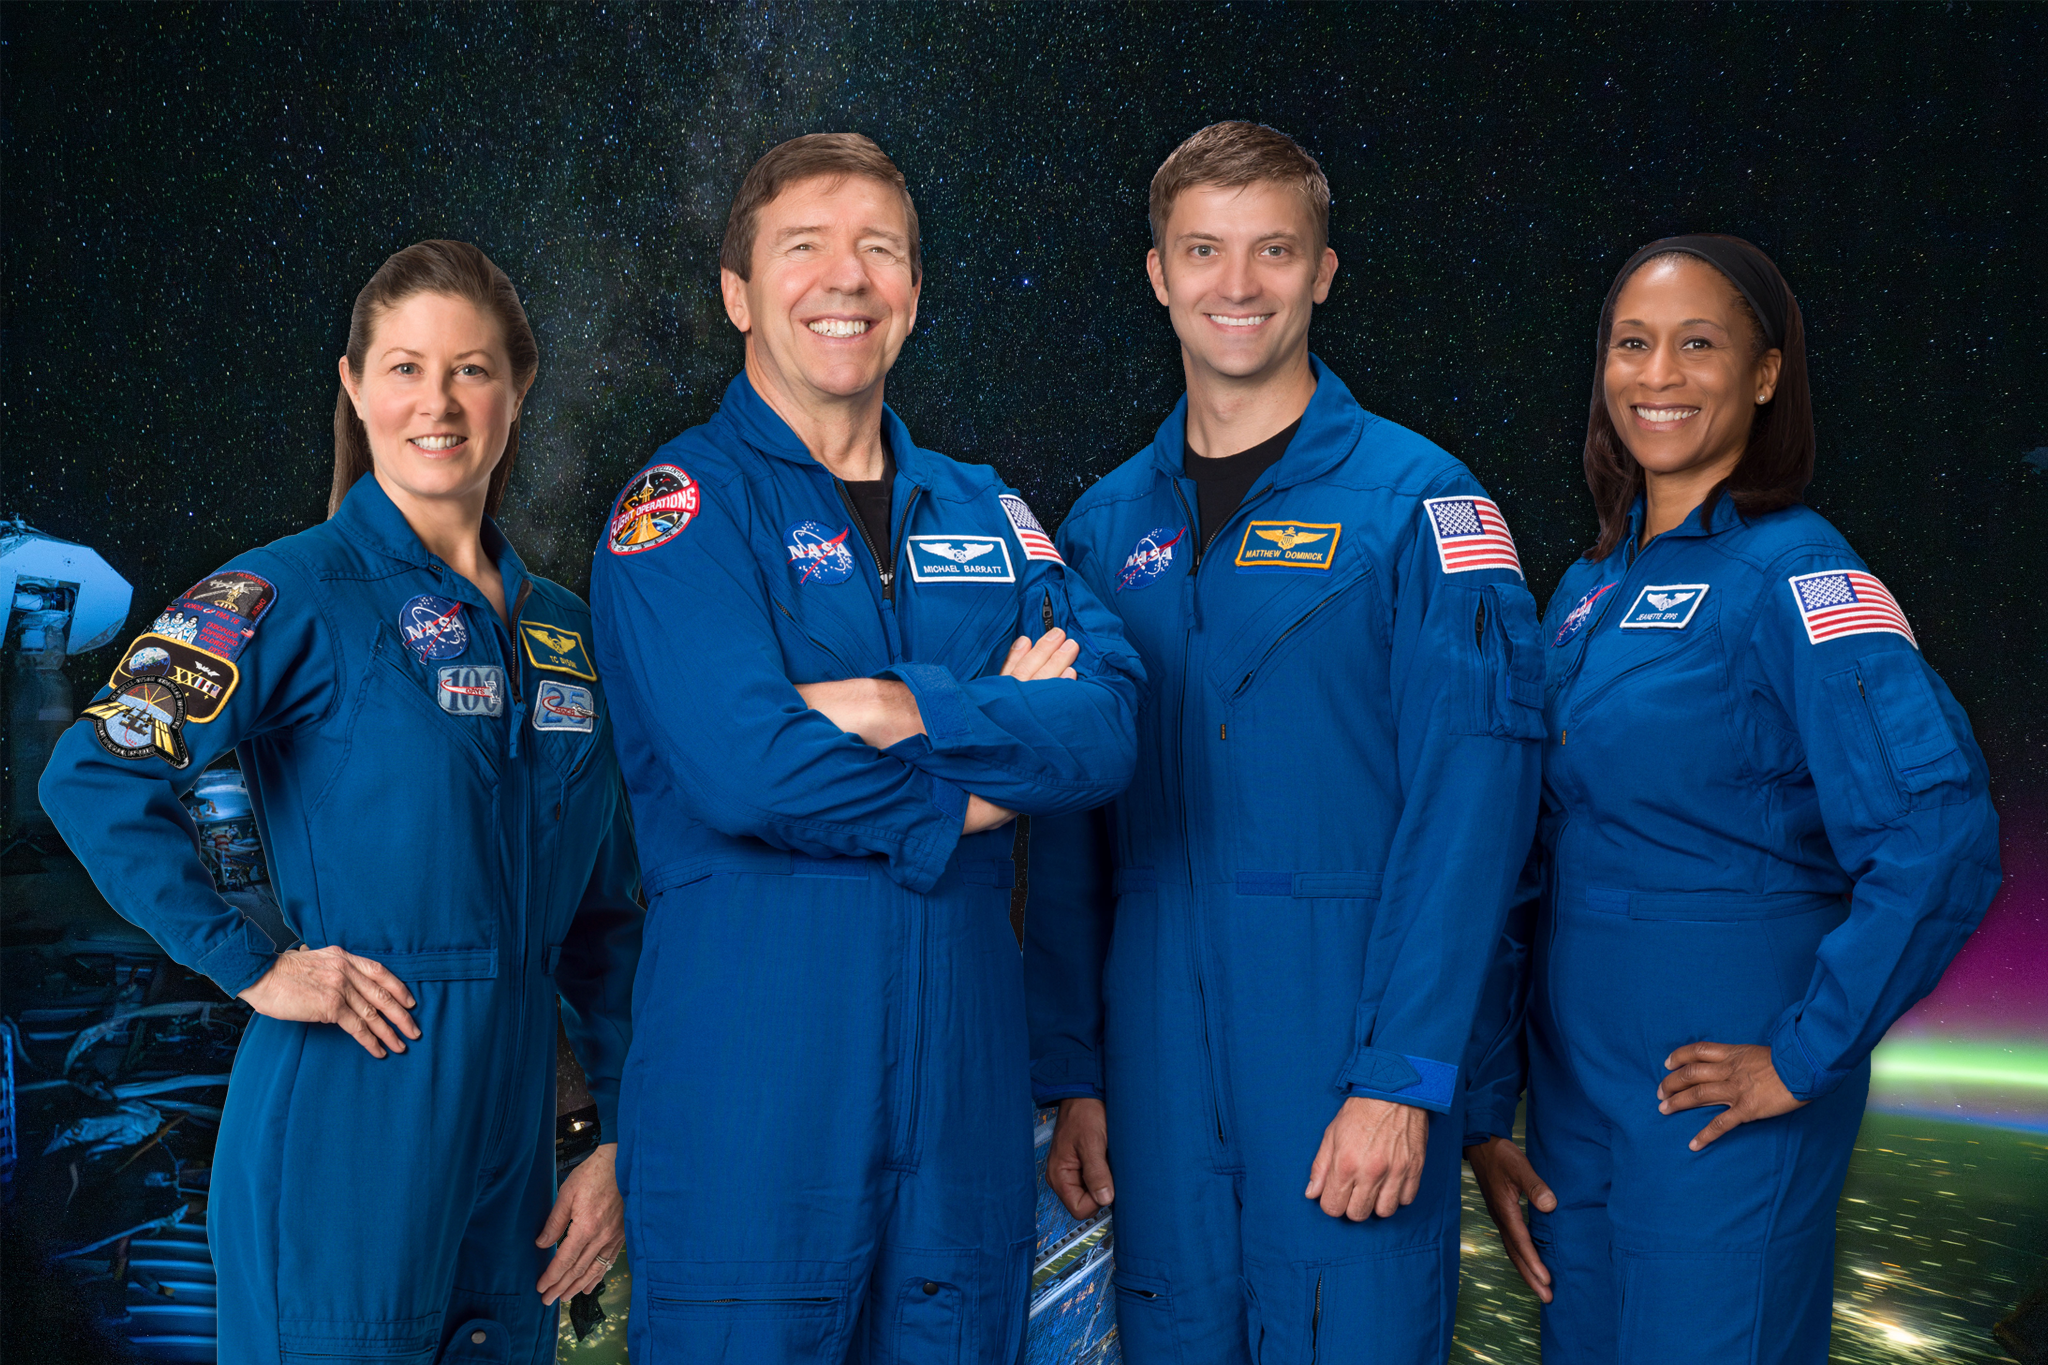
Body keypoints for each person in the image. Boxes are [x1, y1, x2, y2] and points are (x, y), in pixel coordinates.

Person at [589, 133, 1144, 1365]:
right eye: (804, 249)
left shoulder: (986, 510)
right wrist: (980, 787)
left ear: (912, 294)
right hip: (756, 1098)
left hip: (960, 1103)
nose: (844, 278)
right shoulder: (678, 507)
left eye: (877, 250)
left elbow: (1107, 721)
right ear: (738, 293)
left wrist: (898, 706)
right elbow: (743, 763)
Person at [39, 240, 643, 1365]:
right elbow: (95, 773)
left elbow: (608, 925)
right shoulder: (281, 592)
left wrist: (620, 1143)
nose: (439, 402)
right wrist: (255, 962)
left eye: (471, 370)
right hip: (349, 1105)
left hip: (517, 1140)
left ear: (517, 389)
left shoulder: (565, 633)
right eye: (405, 368)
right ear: (356, 389)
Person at [1023, 121, 1544, 1363]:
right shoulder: (1099, 528)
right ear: (1156, 273)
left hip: (1339, 1046)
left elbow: (1473, 813)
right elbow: (1064, 829)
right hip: (1149, 1063)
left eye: (1272, 250)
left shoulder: (1423, 507)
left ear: (1322, 270)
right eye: (1202, 251)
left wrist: (1403, 1075)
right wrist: (1072, 1071)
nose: (1236, 285)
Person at [1461, 235, 2001, 1363]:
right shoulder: (1586, 592)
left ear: (1763, 375)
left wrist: (1801, 1056)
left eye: (1695, 344)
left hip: (1718, 1094)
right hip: (1575, 1097)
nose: (1656, 375)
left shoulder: (1798, 580)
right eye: (1631, 344)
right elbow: (1529, 856)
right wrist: (1485, 1104)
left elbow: (1938, 835)